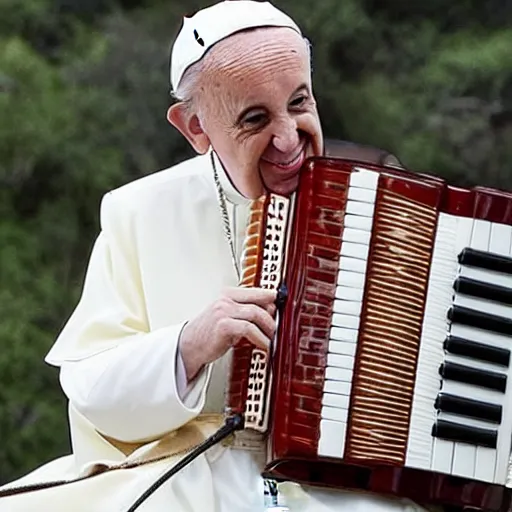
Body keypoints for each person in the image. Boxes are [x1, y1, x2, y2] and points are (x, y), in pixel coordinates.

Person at [0, 1, 430, 511]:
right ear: (195, 127)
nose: (288, 139)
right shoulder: (138, 211)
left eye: (298, 103)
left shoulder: (386, 198)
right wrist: (190, 345)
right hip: (197, 474)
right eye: (255, 118)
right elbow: (92, 387)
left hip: (349, 484)